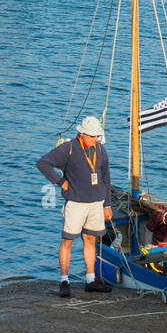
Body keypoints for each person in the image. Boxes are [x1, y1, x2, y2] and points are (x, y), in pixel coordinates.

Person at [36, 116, 113, 297]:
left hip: (96, 203)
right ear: (82, 134)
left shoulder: (101, 149)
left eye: (97, 136)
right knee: (67, 241)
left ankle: (90, 279)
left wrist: (107, 204)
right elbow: (43, 164)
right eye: (93, 136)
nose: (96, 139)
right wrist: (61, 182)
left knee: (90, 240)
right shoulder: (68, 148)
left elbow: (106, 178)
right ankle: (64, 280)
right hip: (75, 203)